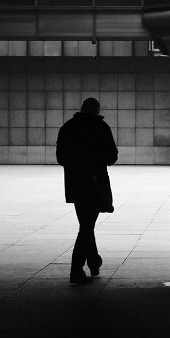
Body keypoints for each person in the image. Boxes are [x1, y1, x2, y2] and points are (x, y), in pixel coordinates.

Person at [56, 97, 118, 285]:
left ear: (81, 109)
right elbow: (112, 157)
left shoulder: (68, 127)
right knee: (86, 227)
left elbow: (61, 158)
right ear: (97, 111)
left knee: (86, 223)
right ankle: (76, 270)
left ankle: (93, 262)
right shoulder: (101, 128)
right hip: (95, 183)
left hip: (75, 183)